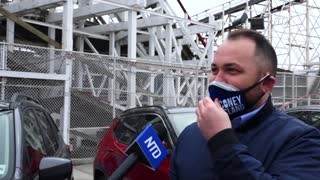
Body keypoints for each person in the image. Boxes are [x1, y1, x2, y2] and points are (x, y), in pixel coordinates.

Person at [169, 29, 320, 179]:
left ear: (266, 84)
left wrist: (221, 139)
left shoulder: (301, 140)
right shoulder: (190, 135)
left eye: (232, 70)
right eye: (214, 70)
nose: (217, 80)